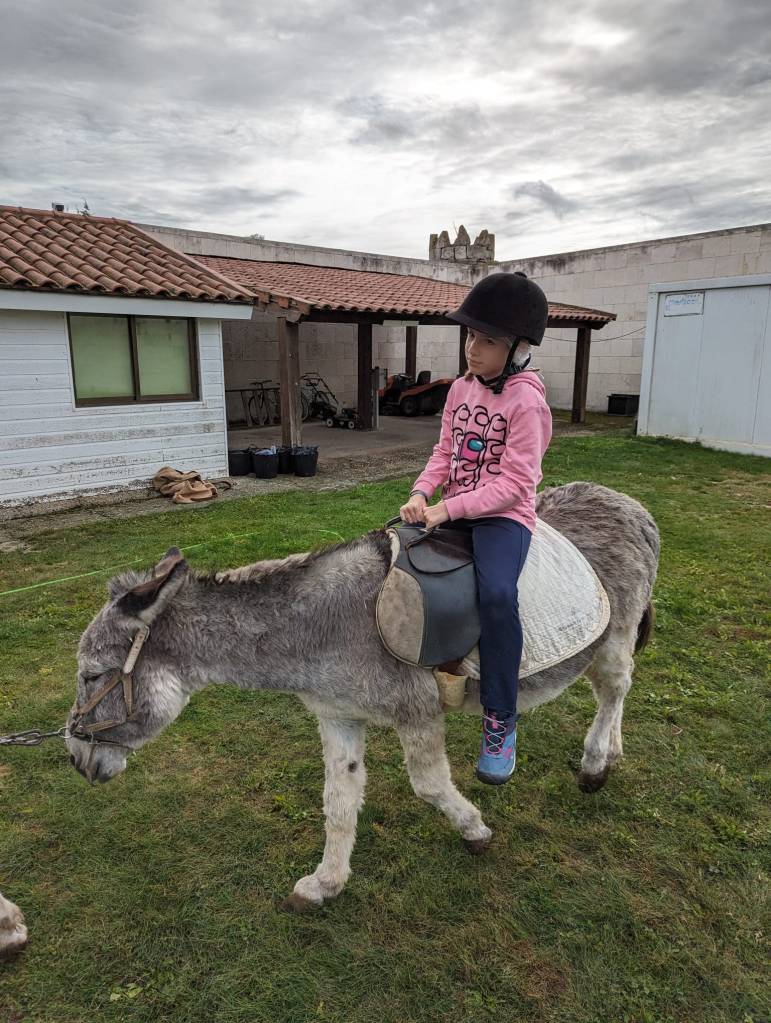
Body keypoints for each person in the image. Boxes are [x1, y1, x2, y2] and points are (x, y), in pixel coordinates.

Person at [399, 272, 552, 784]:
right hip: (452, 508)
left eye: (486, 340)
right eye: (470, 336)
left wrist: (449, 509)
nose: (472, 348)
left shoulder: (528, 403)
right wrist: (421, 493)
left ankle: (500, 718)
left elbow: (515, 484)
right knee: (398, 566)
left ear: (518, 348)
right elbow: (444, 452)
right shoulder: (460, 390)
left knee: (498, 596)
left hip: (502, 518)